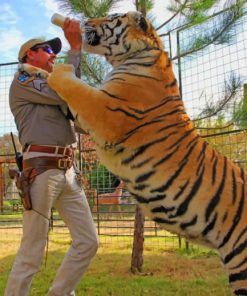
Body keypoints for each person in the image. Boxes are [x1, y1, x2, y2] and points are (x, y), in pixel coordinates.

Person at [4, 18, 99, 296]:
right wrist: (76, 49)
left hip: (68, 170)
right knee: (32, 251)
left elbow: (78, 107)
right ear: (28, 55)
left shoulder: (52, 84)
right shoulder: (24, 79)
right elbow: (67, 91)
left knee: (88, 241)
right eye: (46, 49)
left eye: (53, 50)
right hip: (42, 170)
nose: (52, 54)